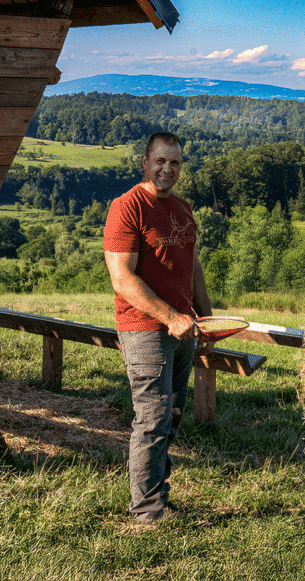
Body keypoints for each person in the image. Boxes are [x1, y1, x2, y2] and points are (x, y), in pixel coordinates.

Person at [103, 132, 212, 523]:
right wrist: (171, 317)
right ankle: (146, 511)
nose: (167, 169)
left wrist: (208, 318)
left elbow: (193, 267)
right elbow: (122, 278)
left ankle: (158, 495)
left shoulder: (182, 209)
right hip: (146, 328)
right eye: (160, 161)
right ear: (145, 162)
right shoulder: (127, 207)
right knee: (152, 416)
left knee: (173, 414)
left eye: (175, 163)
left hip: (182, 328)